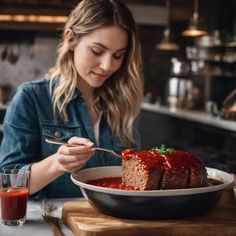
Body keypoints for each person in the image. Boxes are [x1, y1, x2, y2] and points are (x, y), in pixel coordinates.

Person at [0, 0, 144, 200]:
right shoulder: (32, 98)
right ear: (71, 39)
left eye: (118, 55)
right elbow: (7, 184)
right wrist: (57, 163)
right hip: (53, 223)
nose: (107, 65)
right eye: (97, 51)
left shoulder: (124, 102)